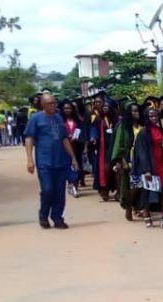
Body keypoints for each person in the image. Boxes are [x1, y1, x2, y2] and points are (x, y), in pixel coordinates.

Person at [24, 92, 80, 229]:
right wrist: (29, 160)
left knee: (60, 192)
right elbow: (29, 138)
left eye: (54, 103)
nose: (53, 105)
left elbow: (64, 139)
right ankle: (43, 215)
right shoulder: (36, 119)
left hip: (60, 161)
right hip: (44, 162)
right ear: (42, 104)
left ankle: (57, 218)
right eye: (49, 103)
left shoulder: (58, 118)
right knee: (48, 189)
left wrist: (73, 158)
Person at [131, 106, 163, 228]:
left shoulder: (162, 130)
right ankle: (147, 216)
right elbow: (141, 152)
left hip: (162, 164)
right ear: (146, 117)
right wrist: (146, 170)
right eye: (151, 116)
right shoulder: (143, 132)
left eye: (155, 116)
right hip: (150, 165)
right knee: (148, 191)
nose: (154, 118)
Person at [111, 101, 144, 221]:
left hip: (142, 159)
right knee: (133, 186)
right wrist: (123, 161)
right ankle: (128, 206)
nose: (137, 113)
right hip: (130, 159)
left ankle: (137, 207)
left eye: (138, 111)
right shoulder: (123, 127)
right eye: (134, 111)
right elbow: (119, 144)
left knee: (141, 185)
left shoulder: (142, 126)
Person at [89, 96, 118, 201]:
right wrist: (93, 137)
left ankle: (117, 192)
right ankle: (104, 191)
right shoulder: (98, 119)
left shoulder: (117, 120)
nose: (105, 108)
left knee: (116, 171)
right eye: (104, 106)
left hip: (115, 148)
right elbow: (93, 129)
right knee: (105, 170)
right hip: (103, 149)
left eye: (107, 106)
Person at [61, 100, 86, 198]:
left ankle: (75, 185)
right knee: (67, 165)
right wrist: (67, 136)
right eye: (65, 108)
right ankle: (71, 185)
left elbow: (80, 131)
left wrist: (76, 136)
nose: (67, 110)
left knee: (77, 165)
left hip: (76, 146)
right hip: (65, 147)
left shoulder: (78, 120)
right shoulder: (61, 121)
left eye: (69, 108)